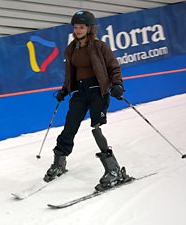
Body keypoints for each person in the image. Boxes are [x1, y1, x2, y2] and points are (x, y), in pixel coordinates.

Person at [43, 10, 131, 191]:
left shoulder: (100, 46)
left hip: (98, 91)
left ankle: (113, 170)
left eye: (81, 27)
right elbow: (71, 74)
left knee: (96, 127)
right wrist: (65, 90)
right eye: (75, 27)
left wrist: (117, 85)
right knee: (69, 126)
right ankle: (59, 162)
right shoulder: (71, 48)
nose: (78, 30)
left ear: (89, 28)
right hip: (81, 92)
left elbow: (114, 67)